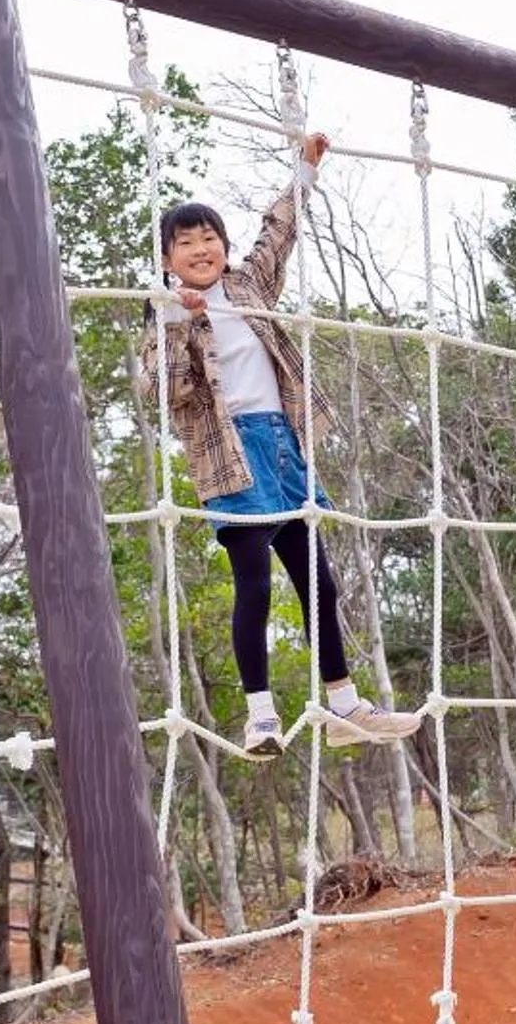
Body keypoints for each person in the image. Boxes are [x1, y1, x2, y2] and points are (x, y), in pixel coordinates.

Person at [147, 134, 425, 758]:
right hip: (231, 455)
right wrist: (174, 321)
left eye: (209, 237)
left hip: (282, 446)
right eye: (186, 242)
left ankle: (345, 704)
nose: (201, 249)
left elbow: (279, 235)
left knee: (318, 581)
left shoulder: (247, 288)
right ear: (168, 259)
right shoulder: (168, 315)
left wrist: (306, 169)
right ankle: (261, 717)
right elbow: (168, 392)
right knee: (254, 584)